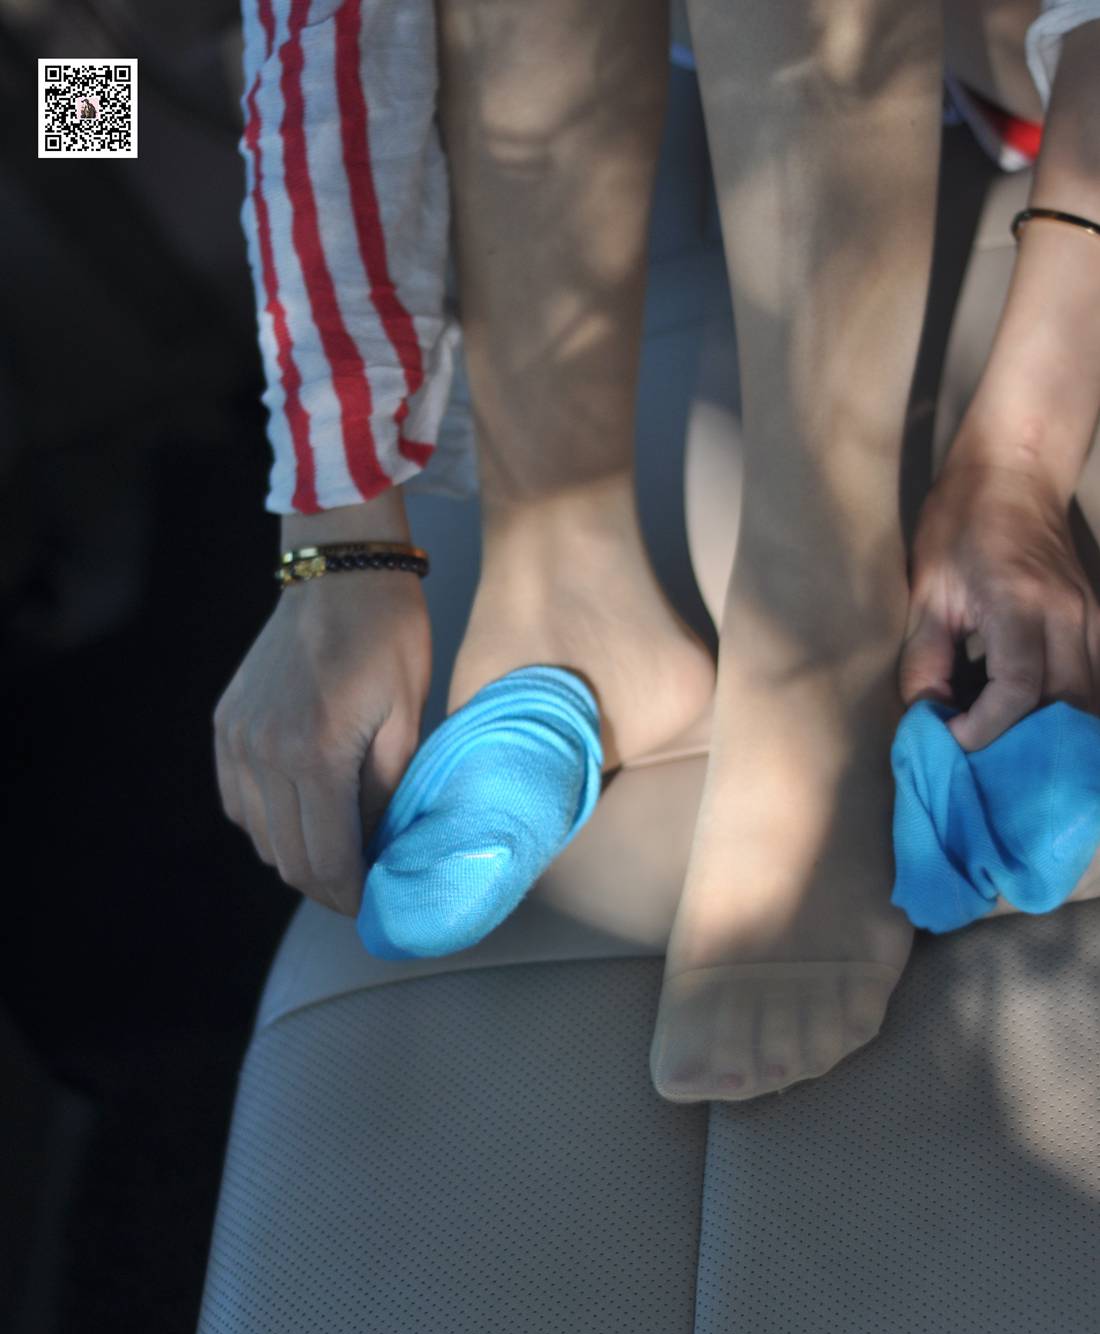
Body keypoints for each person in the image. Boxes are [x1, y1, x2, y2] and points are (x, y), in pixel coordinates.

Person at [213, 0, 1100, 1103]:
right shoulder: (70, 98)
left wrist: (1016, 461)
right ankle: (563, 585)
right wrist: (337, 534)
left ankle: (816, 619)